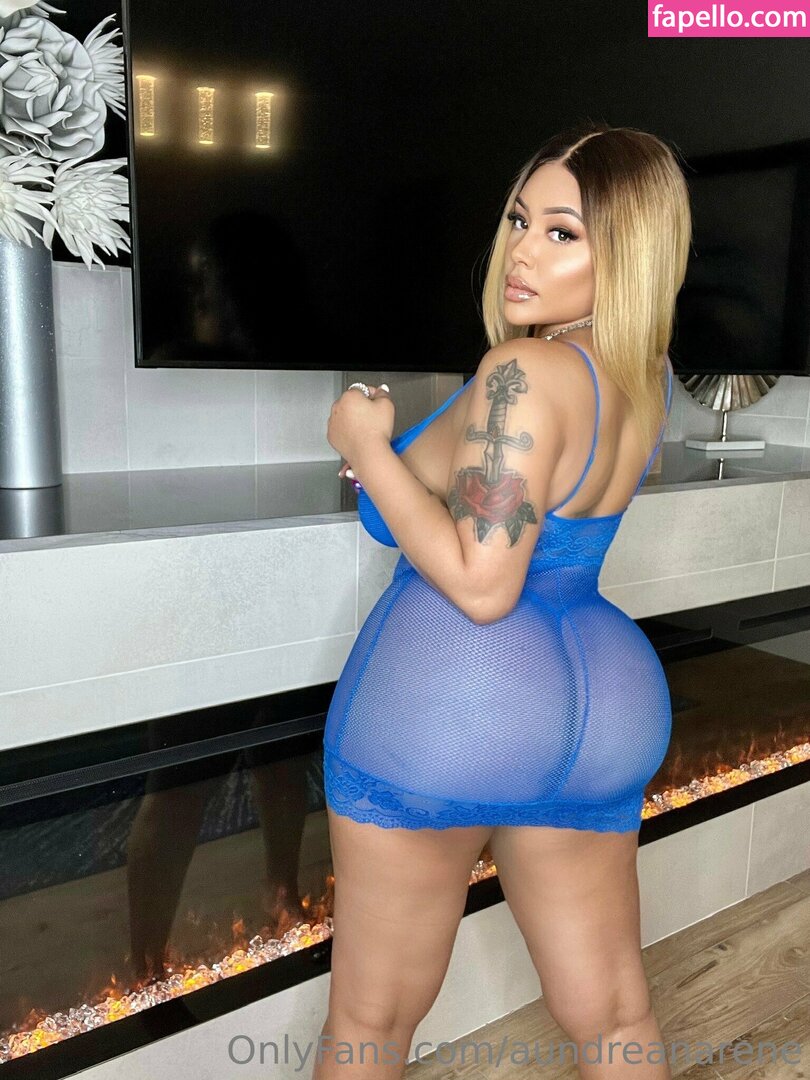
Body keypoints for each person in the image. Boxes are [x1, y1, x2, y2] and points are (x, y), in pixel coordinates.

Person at [318, 122, 691, 1080]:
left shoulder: (521, 375)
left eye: (564, 233)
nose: (523, 250)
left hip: (460, 701)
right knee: (615, 1013)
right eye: (522, 220)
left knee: (368, 1019)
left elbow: (483, 583)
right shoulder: (641, 375)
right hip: (603, 703)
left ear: (630, 253)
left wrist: (364, 445)